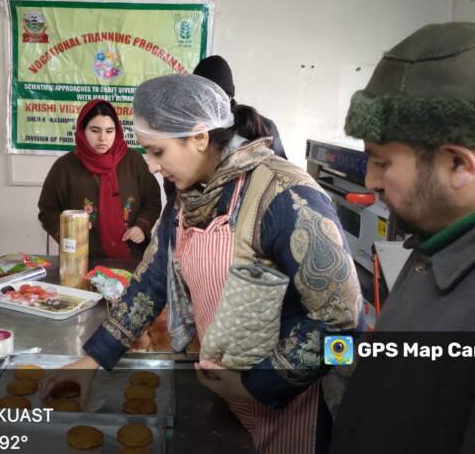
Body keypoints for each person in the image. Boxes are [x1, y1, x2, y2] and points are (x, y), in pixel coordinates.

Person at [43, 75, 363, 453]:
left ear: (198, 137)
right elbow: (151, 283)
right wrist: (93, 360)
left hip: (296, 405)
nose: (152, 166)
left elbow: (343, 324)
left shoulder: (286, 197)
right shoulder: (189, 199)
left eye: (158, 152)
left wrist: (257, 383)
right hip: (229, 395)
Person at [330, 22, 475, 453]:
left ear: (459, 165)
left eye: (381, 162)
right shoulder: (451, 231)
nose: (370, 180)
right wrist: (311, 357)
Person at [38, 99, 161, 260]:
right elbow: (47, 211)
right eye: (95, 130)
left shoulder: (133, 161)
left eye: (109, 131)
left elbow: (152, 200)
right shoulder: (64, 167)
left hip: (133, 258)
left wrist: (141, 226)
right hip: (82, 259)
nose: (103, 138)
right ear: (82, 130)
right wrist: (70, 231)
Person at [193, 55, 286, 159]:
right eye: (202, 97)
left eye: (214, 96)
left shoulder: (262, 126)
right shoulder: (190, 124)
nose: (208, 103)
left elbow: (280, 167)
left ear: (227, 96)